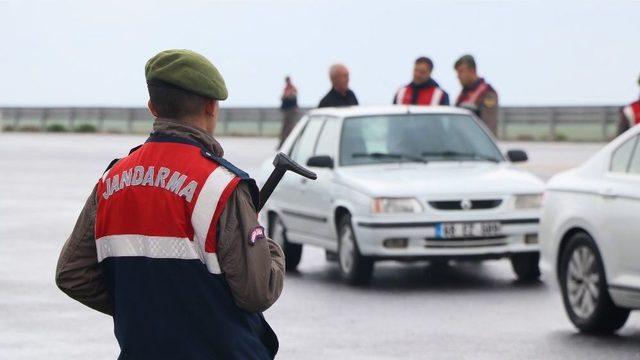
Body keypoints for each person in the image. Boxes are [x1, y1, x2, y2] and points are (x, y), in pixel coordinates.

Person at [55, 49, 285, 359]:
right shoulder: (222, 185)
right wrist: (270, 249)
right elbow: (257, 292)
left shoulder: (110, 181)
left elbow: (72, 274)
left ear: (152, 107)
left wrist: (144, 314)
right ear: (211, 106)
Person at [454, 54, 499, 136]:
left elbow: (489, 127)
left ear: (472, 71)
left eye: (461, 72)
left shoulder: (487, 93)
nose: (458, 76)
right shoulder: (463, 94)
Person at [279, 76, 299, 148]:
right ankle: (282, 144)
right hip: (286, 110)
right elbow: (283, 98)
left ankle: (290, 144)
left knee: (291, 127)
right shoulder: (286, 88)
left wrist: (287, 95)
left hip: (291, 111)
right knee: (285, 128)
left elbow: (293, 97)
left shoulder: (292, 88)